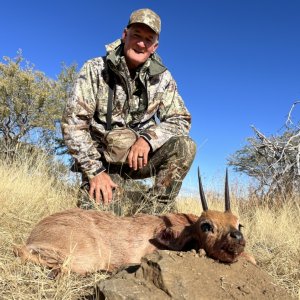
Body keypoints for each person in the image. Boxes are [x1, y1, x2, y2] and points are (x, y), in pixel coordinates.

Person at [61, 8, 196, 212]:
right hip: (102, 162)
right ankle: (112, 194)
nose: (141, 43)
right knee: (100, 223)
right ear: (125, 35)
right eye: (136, 36)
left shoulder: (163, 79)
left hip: (139, 159)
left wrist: (148, 140)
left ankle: (155, 212)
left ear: (154, 46)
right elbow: (74, 125)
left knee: (185, 146)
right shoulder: (94, 69)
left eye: (148, 39)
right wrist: (95, 171)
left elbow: (181, 119)